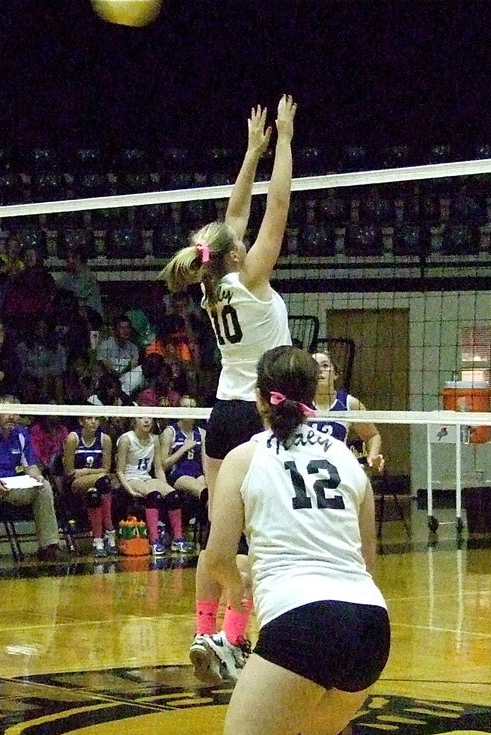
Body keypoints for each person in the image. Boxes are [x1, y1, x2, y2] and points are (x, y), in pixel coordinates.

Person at [200, 346, 391, 735]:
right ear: (317, 396)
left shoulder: (244, 457)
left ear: (260, 396)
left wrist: (235, 591)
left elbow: (215, 553)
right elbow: (368, 560)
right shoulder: (348, 457)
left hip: (303, 621)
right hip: (369, 622)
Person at [159, 95, 297, 683]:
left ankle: (204, 629)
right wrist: (284, 145)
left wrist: (249, 154)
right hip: (261, 417)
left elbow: (234, 214)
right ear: (235, 251)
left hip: (221, 415)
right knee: (254, 543)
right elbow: (276, 208)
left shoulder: (211, 284)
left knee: (217, 537)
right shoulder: (252, 276)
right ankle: (236, 642)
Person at [0, 397, 64, 566]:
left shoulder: (21, 434)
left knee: (43, 486)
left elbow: (30, 467)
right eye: (8, 412)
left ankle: (49, 546)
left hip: (10, 485)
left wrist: (37, 476)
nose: (12, 417)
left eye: (16, 413)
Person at [115, 416, 188, 557]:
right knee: (153, 495)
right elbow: (119, 471)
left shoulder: (155, 439)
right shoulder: (126, 439)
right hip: (130, 478)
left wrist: (166, 487)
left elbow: (158, 468)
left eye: (149, 417)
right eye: (142, 418)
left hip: (146, 477)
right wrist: (129, 489)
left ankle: (178, 539)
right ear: (135, 421)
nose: (147, 421)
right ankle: (154, 541)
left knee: (173, 496)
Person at [311, 350, 384, 473]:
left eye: (325, 366)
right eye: (313, 366)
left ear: (336, 374)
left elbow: (372, 435)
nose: (320, 370)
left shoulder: (349, 403)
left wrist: (372, 457)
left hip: (337, 470)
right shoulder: (298, 403)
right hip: (305, 470)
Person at [63, 415, 117, 558]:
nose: (93, 421)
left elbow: (106, 468)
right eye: (89, 418)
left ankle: (98, 539)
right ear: (81, 421)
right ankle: (110, 530)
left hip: (97, 482)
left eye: (97, 419)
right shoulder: (73, 438)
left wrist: (87, 472)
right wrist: (92, 474)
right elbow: (70, 472)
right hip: (75, 484)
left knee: (96, 491)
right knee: (103, 482)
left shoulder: (105, 439)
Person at [159, 395, 207, 529]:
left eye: (192, 408)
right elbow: (163, 465)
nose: (189, 411)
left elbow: (205, 463)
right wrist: (183, 448)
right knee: (202, 491)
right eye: (185, 407)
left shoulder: (201, 433)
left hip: (197, 473)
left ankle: (199, 524)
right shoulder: (170, 432)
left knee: (206, 487)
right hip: (178, 474)